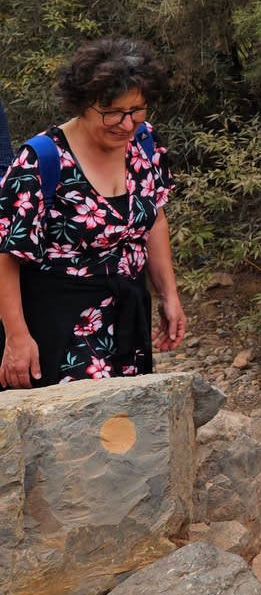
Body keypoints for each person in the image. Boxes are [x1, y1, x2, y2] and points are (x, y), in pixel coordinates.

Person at [0, 37, 186, 388]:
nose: (126, 124)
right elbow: (6, 254)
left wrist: (169, 296)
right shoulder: (42, 160)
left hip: (127, 317)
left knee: (128, 417)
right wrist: (16, 338)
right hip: (59, 325)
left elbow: (155, 220)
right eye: (112, 112)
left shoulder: (145, 143)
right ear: (83, 103)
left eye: (137, 110)